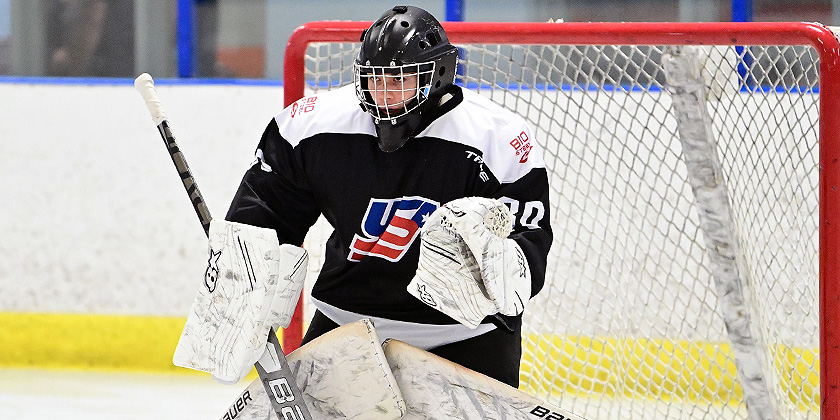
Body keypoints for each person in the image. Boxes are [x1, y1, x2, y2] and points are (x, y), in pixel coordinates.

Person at [224, 5, 552, 388]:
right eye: (373, 80)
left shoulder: (496, 138)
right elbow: (266, 214)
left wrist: (493, 268)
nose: (383, 95)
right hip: (346, 323)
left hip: (463, 336)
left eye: (399, 81)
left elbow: (528, 249)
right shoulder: (311, 125)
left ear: (438, 75)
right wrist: (240, 276)